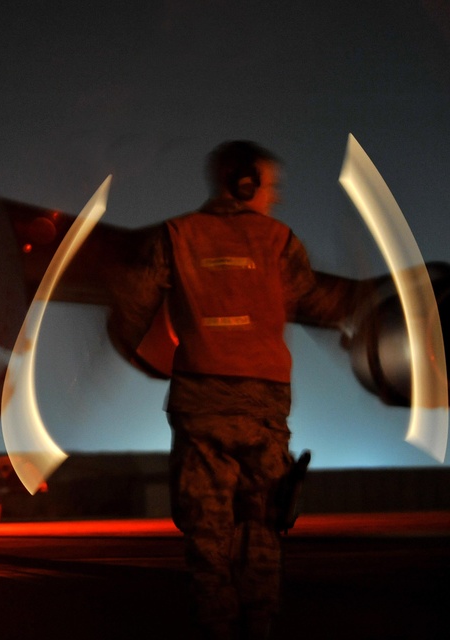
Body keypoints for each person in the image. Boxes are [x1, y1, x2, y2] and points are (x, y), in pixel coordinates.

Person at [109, 141, 319, 639]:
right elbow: (313, 298)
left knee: (208, 543)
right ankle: (261, 626)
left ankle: (217, 630)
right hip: (264, 411)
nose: (276, 198)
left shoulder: (175, 236)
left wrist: (151, 359)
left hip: (200, 410)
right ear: (243, 181)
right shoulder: (281, 242)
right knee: (264, 530)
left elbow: (130, 310)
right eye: (271, 186)